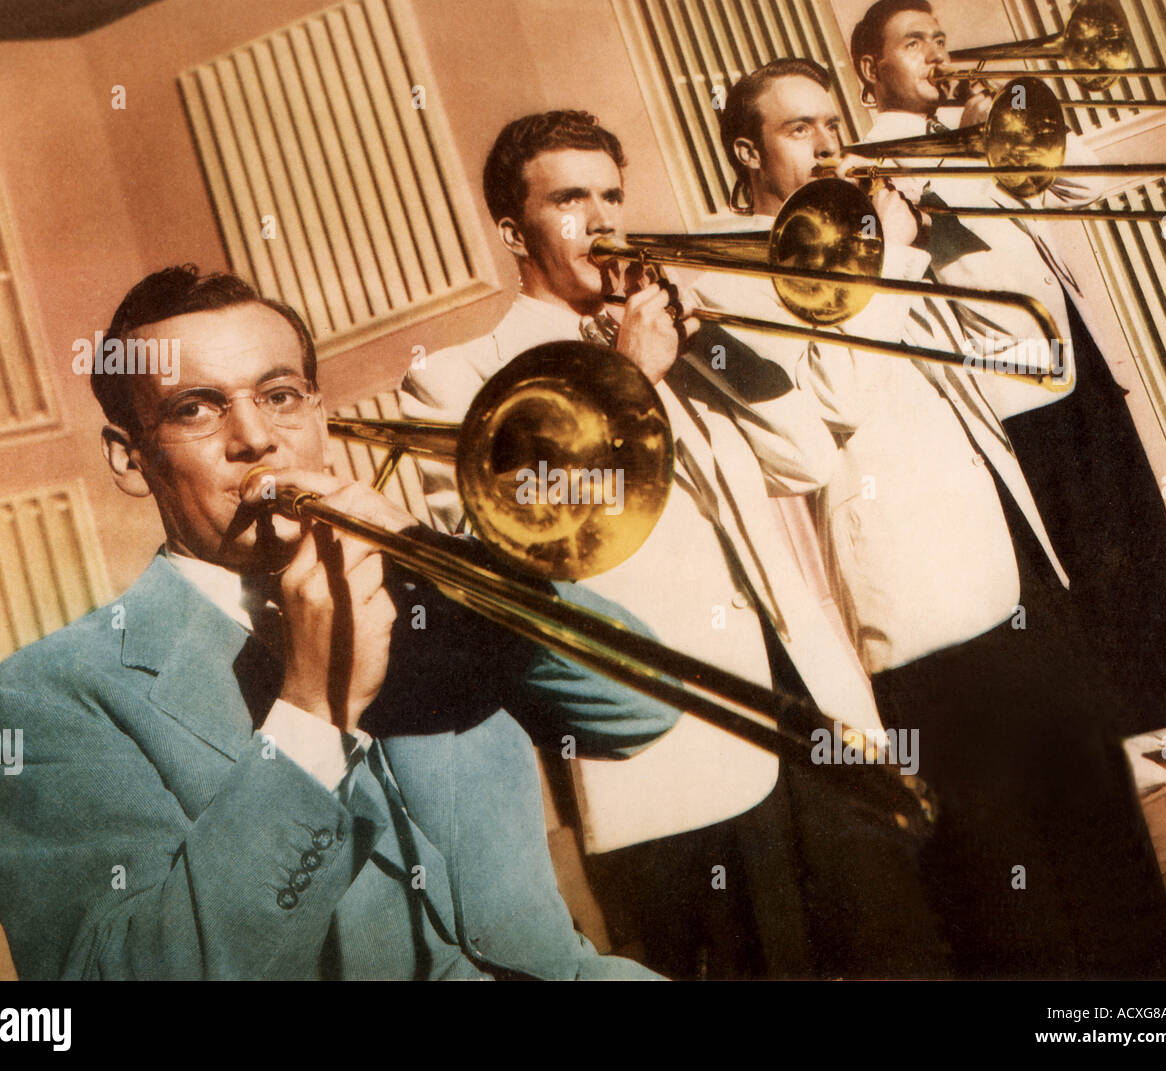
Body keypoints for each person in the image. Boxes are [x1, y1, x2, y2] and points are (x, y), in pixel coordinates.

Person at [0, 265, 681, 981]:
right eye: (197, 407)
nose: (255, 438)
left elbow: (641, 709)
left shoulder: (428, 587)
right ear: (131, 459)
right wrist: (313, 713)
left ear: (318, 414)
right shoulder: (28, 708)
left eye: (281, 395)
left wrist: (443, 562)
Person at [400, 109, 946, 980]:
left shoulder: (672, 335)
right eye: (570, 198)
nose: (604, 218)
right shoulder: (458, 379)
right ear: (514, 230)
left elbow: (803, 457)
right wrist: (627, 378)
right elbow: (515, 562)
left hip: (811, 719)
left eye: (612, 193)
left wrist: (713, 344)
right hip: (673, 770)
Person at [696, 57, 1166, 979]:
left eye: (832, 121)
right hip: (919, 624)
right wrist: (891, 254)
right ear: (746, 151)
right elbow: (820, 424)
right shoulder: (729, 273)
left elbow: (1027, 366)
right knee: (1021, 912)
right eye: (799, 128)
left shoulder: (879, 229)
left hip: (1016, 576)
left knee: (1117, 878)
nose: (829, 141)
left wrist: (959, 202)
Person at [849, 0, 1166, 738]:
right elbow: (947, 224)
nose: (936, 55)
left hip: (1076, 353)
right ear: (870, 68)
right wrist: (974, 139)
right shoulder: (876, 159)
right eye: (913, 43)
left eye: (940, 39)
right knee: (1088, 555)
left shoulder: (971, 134)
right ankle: (1126, 732)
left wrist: (1000, 124)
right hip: (1013, 382)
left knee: (1137, 528)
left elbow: (1083, 185)